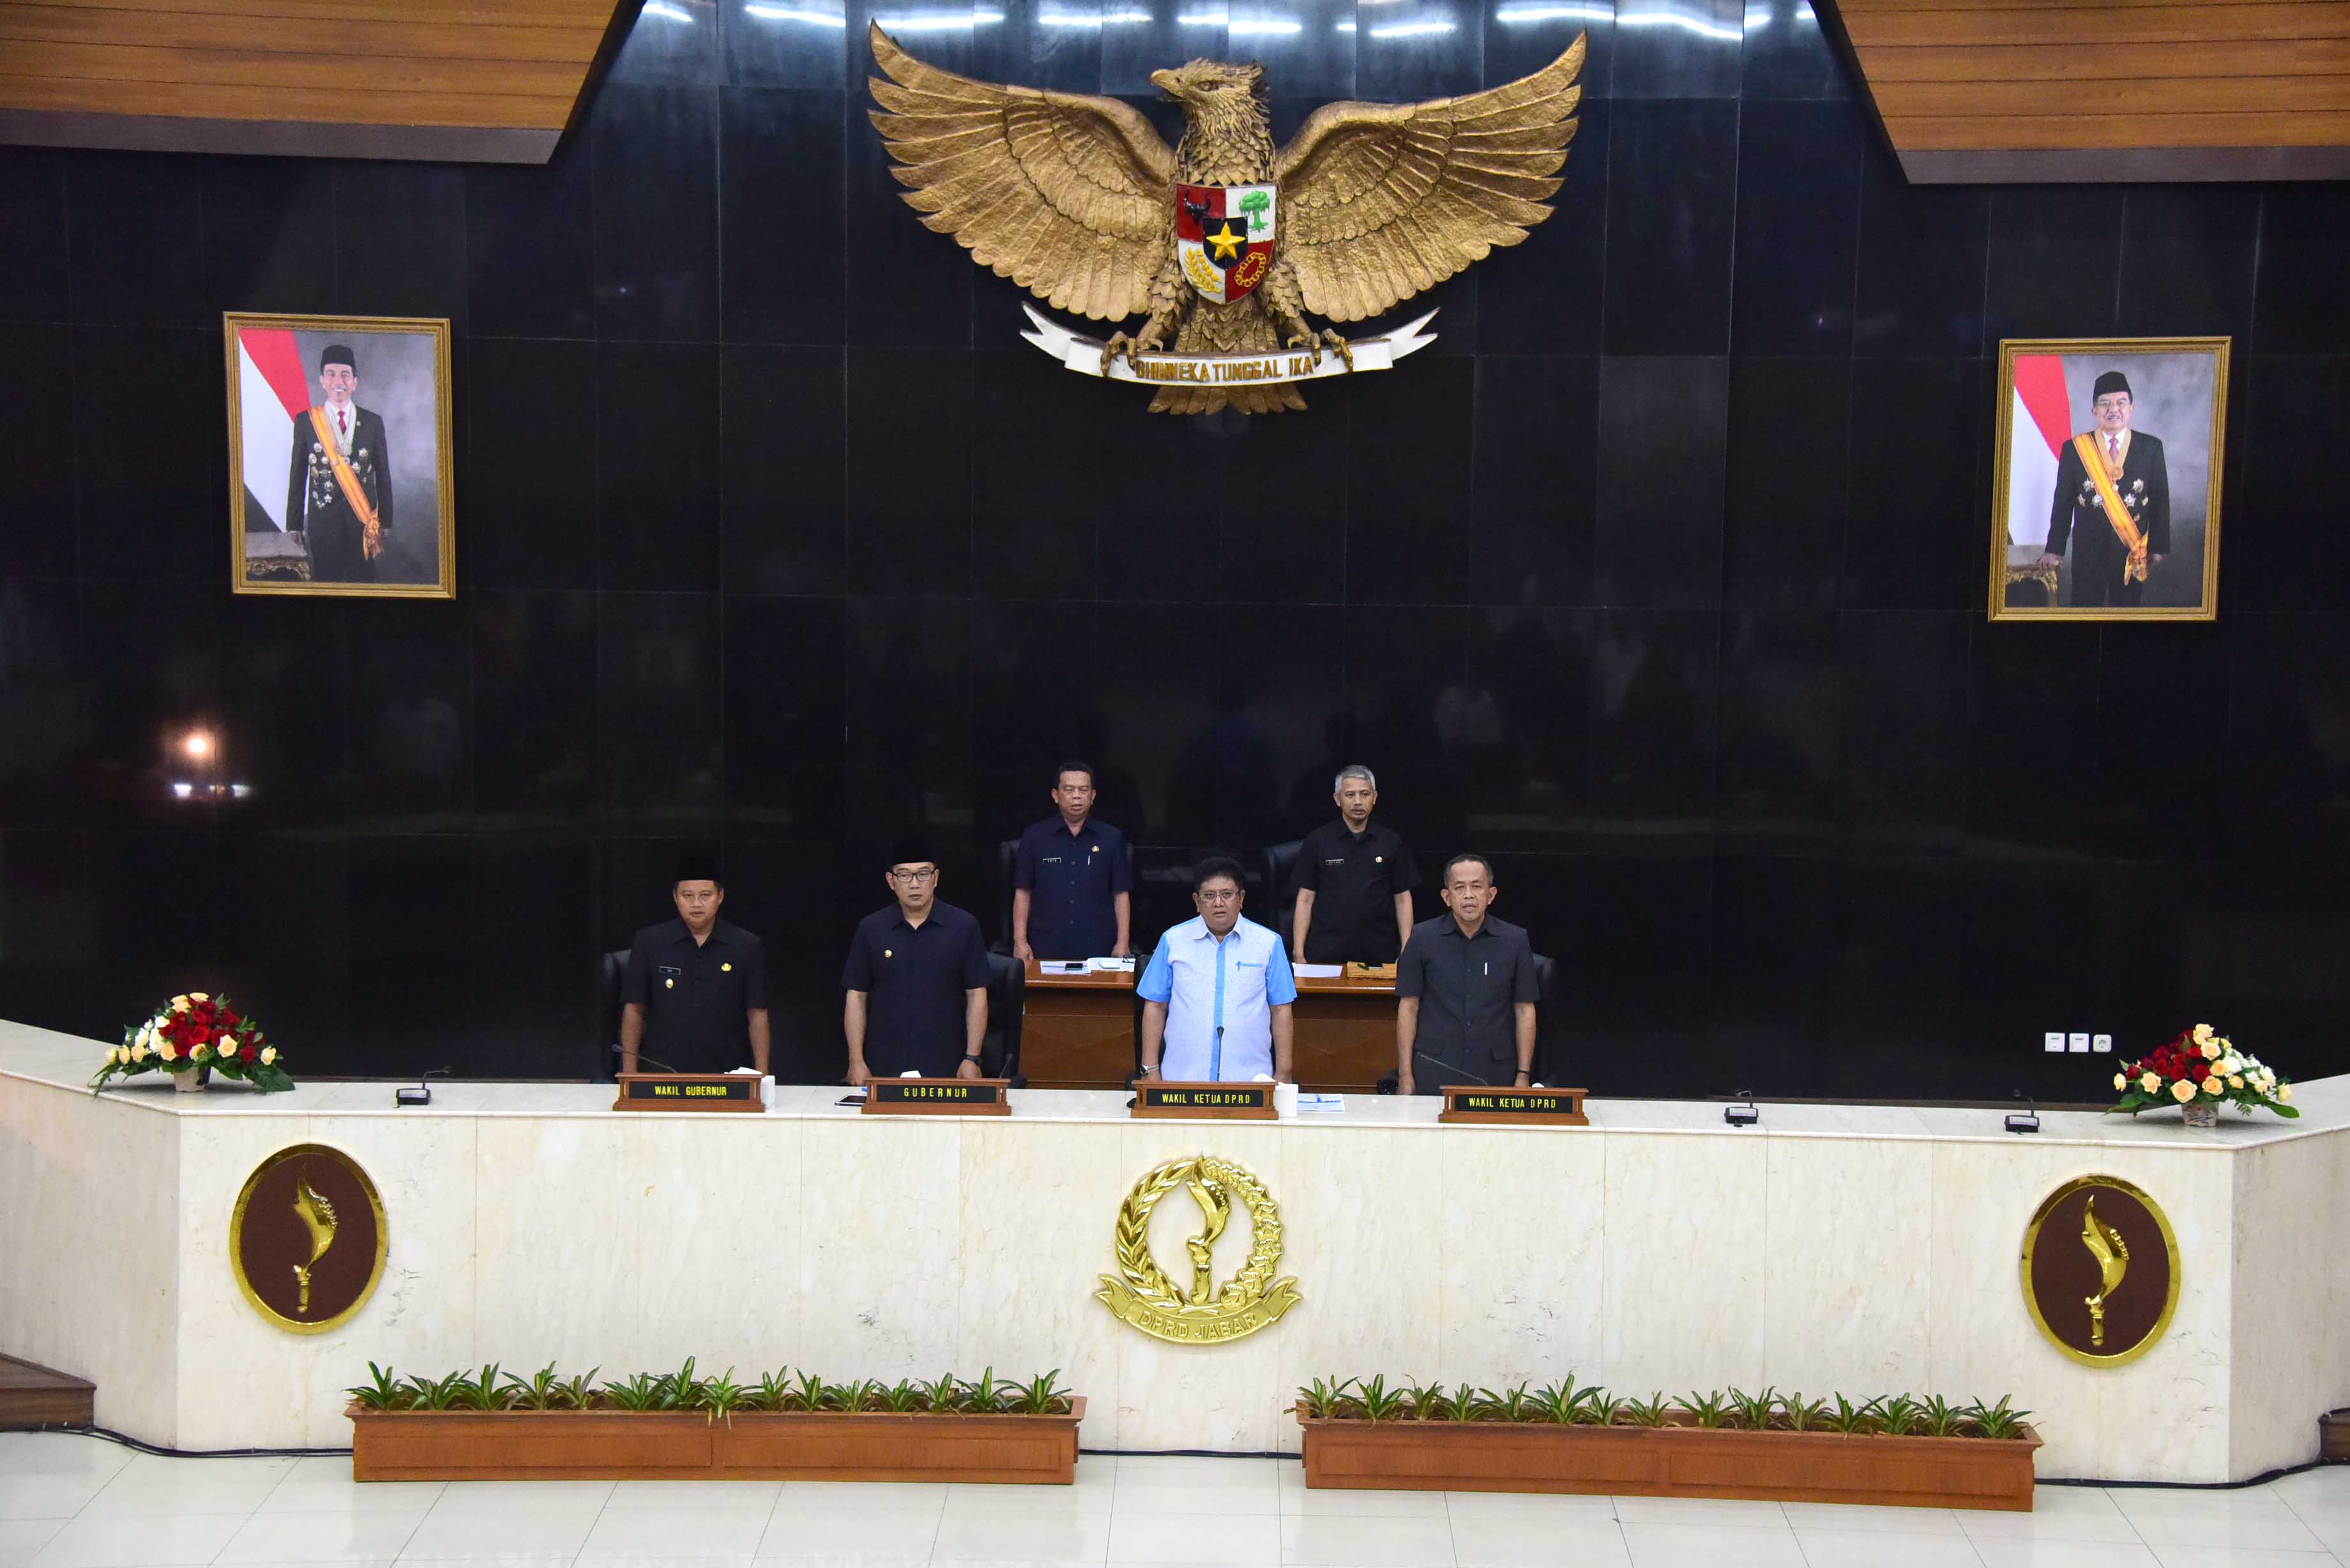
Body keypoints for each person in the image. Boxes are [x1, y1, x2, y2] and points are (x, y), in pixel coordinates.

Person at [843, 840, 992, 1084]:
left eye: (923, 874)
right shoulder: (871, 929)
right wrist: (856, 1061)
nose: (914, 884)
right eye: (905, 875)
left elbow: (977, 993)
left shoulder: (964, 927)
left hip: (947, 1062)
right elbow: (856, 995)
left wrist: (972, 1058)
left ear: (936, 878)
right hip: (883, 1062)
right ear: (891, 881)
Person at [1137, 856, 1296, 1082]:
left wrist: (1284, 1073)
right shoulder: (1173, 941)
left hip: (1251, 1082)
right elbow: (1155, 1006)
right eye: (1209, 896)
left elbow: (1281, 1010)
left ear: (1241, 898)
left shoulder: (1269, 943)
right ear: (1197, 901)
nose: (1218, 903)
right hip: (1182, 1080)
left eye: (1227, 894)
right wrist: (1150, 1069)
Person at [1395, 853, 1540, 1096]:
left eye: (1477, 887)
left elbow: (1525, 1009)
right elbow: (1409, 1006)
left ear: (1491, 895)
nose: (1469, 895)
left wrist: (1523, 1075)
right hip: (1435, 1070)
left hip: (1496, 1073)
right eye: (1459, 888)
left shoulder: (1515, 940)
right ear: (1446, 897)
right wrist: (1405, 1074)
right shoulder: (1421, 938)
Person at [619, 857, 771, 1075]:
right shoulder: (649, 943)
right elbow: (634, 1009)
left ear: (720, 897)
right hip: (662, 1071)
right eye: (688, 896)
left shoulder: (746, 946)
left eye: (705, 895)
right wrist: (630, 1074)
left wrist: (762, 1076)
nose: (697, 904)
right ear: (675, 897)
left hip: (728, 1072)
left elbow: (757, 1013)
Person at [2036, 370, 2170, 609]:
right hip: (2088, 551)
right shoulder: (2075, 449)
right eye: (2105, 404)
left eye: (2121, 403)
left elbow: (2161, 500)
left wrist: (2159, 546)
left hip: (2133, 551)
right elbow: (2063, 502)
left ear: (2131, 408)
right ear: (2094, 411)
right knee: (2084, 612)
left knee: (2127, 616)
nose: (2113, 410)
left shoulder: (2151, 448)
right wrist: (2054, 549)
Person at [284, 342, 393, 584]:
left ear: (355, 381)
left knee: (363, 583)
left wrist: (387, 519)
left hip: (363, 522)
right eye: (331, 374)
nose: (338, 381)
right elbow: (298, 475)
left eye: (345, 374)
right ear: (322, 380)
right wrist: (293, 525)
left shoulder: (373, 422)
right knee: (326, 583)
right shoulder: (306, 422)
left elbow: (383, 474)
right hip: (323, 522)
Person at [1292, 765, 1419, 966]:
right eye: (1350, 795)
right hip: (1325, 952)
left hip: (1379, 952)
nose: (1358, 801)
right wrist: (1298, 951)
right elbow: (1305, 899)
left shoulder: (1392, 842)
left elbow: (1402, 898)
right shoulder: (1317, 841)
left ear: (1375, 797)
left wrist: (1406, 948)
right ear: (1337, 799)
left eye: (1364, 794)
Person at [1012, 761, 1133, 962]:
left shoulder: (1111, 838)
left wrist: (1123, 942)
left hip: (1098, 944)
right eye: (1069, 790)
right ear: (1055, 795)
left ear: (1093, 796)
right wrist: (1019, 941)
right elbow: (1023, 891)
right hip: (1044, 944)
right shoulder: (1035, 837)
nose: (1077, 795)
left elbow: (1121, 894)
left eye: (1083, 790)